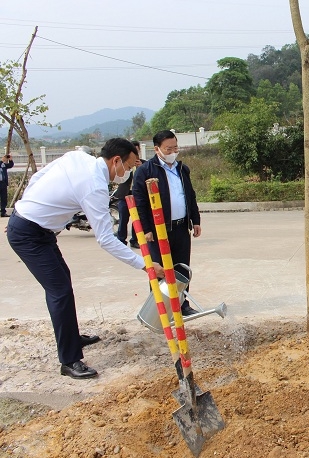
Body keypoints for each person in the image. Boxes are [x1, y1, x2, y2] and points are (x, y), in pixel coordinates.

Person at [5, 138, 164, 379]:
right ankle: (69, 361)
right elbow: (106, 239)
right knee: (59, 291)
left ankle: (71, 336)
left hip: (36, 228)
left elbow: (37, 178)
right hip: (29, 234)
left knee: (63, 283)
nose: (128, 173)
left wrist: (26, 206)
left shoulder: (78, 158)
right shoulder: (95, 186)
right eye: (129, 167)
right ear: (116, 161)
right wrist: (144, 264)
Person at [132, 130, 202, 317]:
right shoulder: (145, 171)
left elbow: (190, 195)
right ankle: (159, 308)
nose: (173, 151)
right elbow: (139, 202)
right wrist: (146, 229)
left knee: (181, 268)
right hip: (157, 231)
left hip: (180, 227)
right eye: (168, 148)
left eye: (175, 147)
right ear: (157, 149)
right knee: (160, 270)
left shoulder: (181, 169)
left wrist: (195, 220)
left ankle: (181, 304)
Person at [113, 141, 144, 248]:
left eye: (137, 150)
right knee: (123, 219)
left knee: (137, 220)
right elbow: (120, 178)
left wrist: (141, 168)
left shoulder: (144, 164)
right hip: (125, 195)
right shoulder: (124, 165)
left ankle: (135, 240)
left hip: (138, 196)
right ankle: (121, 240)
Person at [1, 152, 14, 217]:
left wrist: (10, 159)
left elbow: (10, 165)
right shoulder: (1, 163)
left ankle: (3, 212)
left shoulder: (3, 165)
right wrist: (2, 160)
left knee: (4, 198)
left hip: (3, 183)